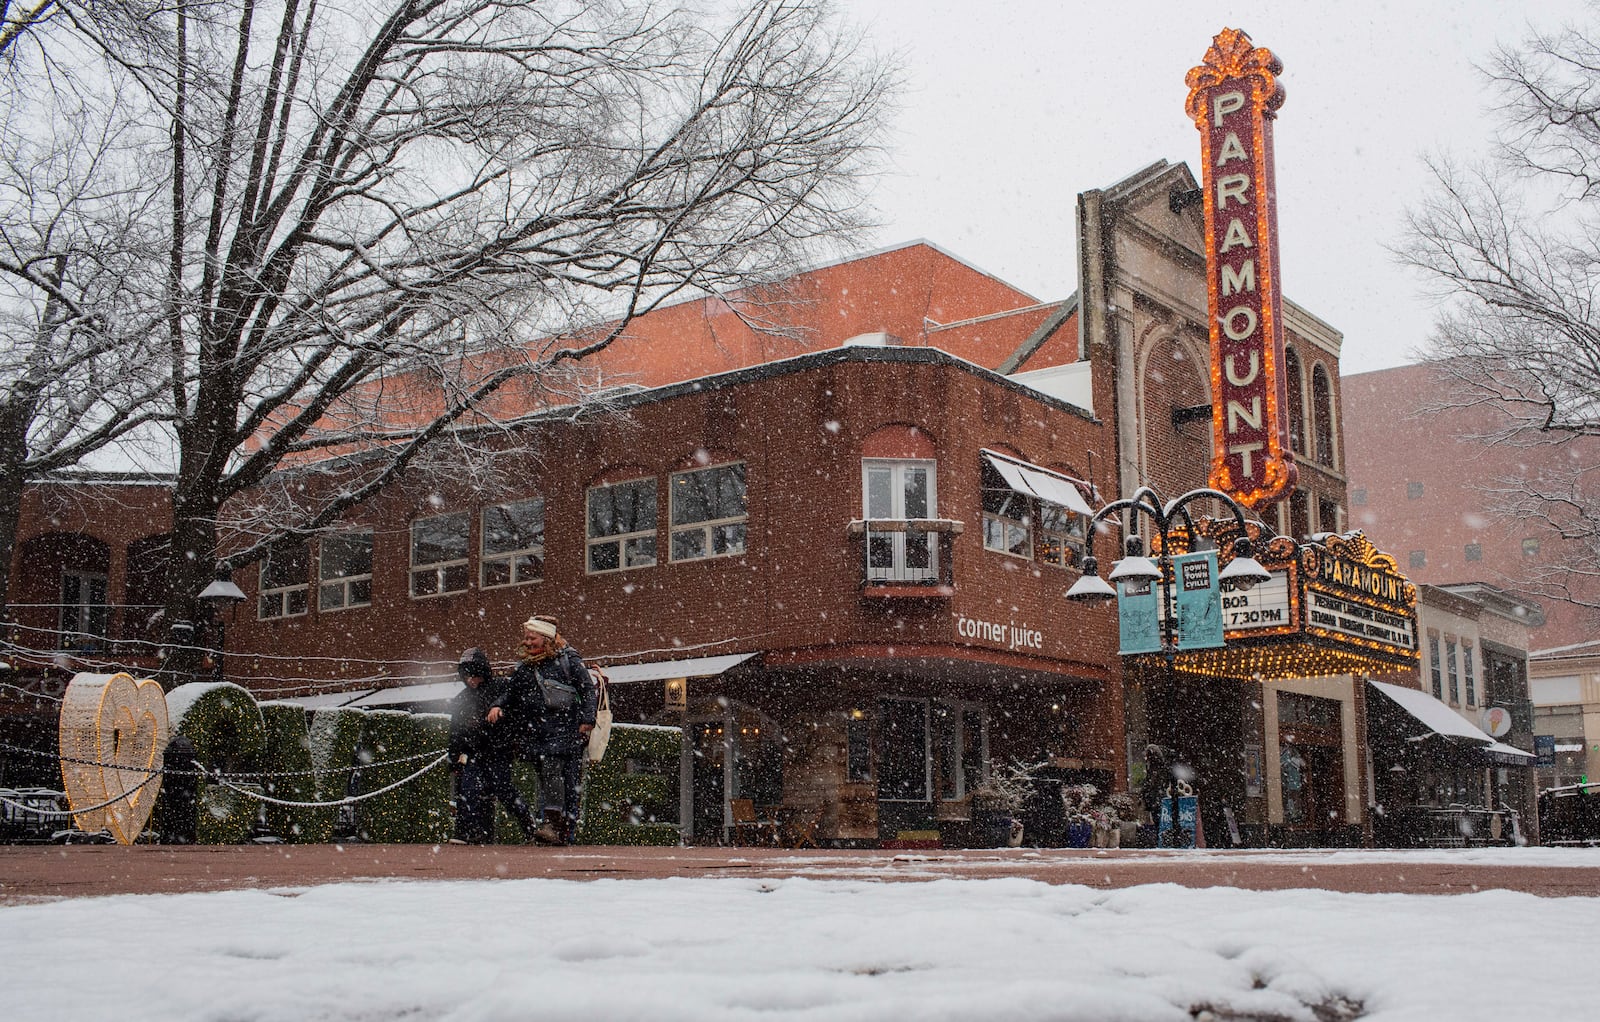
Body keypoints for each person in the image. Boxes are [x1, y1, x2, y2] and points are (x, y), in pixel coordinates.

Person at [487, 616, 596, 845]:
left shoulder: (568, 660)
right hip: (536, 731)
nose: (527, 642)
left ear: (545, 638)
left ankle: (553, 824)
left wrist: (588, 718)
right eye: (525, 637)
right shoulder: (525, 666)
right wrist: (498, 705)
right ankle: (560, 831)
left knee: (554, 771)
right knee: (549, 777)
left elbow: (586, 688)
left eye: (532, 637)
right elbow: (511, 692)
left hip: (564, 729)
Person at [447, 647, 539, 844]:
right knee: (469, 790)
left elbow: (517, 713)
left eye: (474, 674)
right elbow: (456, 731)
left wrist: (513, 735)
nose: (471, 680)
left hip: (499, 749)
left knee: (503, 789)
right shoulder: (462, 699)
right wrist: (454, 756)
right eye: (466, 676)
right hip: (475, 751)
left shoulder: (501, 688)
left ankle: (528, 825)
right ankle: (472, 832)